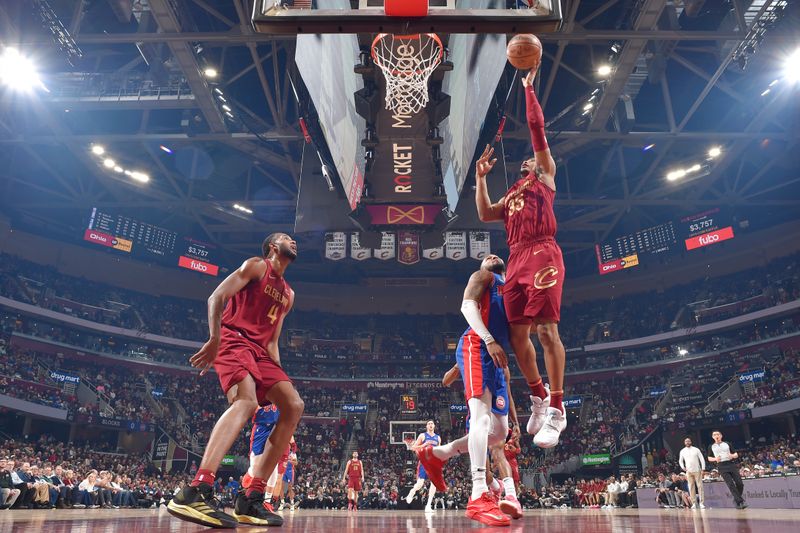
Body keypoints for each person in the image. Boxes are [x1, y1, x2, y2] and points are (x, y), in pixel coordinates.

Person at [168, 233, 303, 528]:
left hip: (261, 352)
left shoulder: (289, 295)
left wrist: (279, 379)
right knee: (246, 401)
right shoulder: (256, 266)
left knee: (293, 405)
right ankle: (196, 490)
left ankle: (251, 498)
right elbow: (216, 296)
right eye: (285, 238)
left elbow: (272, 341)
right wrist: (215, 339)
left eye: (294, 240)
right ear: (271, 247)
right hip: (233, 338)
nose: (292, 241)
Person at [473, 66, 567, 449]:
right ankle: (539, 397)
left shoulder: (544, 175)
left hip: (543, 250)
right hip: (516, 259)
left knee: (546, 331)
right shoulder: (512, 195)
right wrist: (480, 179)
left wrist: (528, 89)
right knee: (516, 336)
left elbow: (536, 130)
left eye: (533, 157)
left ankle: (558, 410)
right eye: (529, 158)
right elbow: (483, 214)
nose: (530, 158)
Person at [417, 254, 516, 526]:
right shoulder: (483, 277)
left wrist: (457, 368)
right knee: (481, 418)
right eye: (486, 257)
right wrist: (486, 342)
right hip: (479, 345)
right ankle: (478, 495)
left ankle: (436, 453)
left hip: (495, 355)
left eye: (496, 255)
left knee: (498, 433)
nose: (492, 255)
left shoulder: (511, 287)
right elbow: (468, 308)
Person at [404, 420, 441, 512]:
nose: (430, 425)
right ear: (426, 426)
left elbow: (439, 450)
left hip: (434, 462)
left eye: (432, 423)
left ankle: (428, 505)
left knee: (434, 483)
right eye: (429, 424)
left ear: (434, 426)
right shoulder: (422, 435)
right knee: (420, 484)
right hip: (424, 462)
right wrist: (423, 445)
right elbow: (413, 448)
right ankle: (412, 492)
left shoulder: (438, 438)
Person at [707, 430, 747, 509]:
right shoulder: (711, 446)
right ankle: (740, 502)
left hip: (731, 464)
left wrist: (732, 456)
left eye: (718, 434)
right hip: (721, 466)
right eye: (714, 435)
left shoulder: (727, 444)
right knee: (731, 484)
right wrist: (715, 459)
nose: (716, 436)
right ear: (713, 437)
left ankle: (736, 499)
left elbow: (736, 454)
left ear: (721, 435)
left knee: (739, 483)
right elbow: (709, 458)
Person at [679, 437, 706, 509]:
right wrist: (683, 467)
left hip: (697, 470)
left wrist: (703, 468)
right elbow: (680, 461)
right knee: (691, 487)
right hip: (689, 471)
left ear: (691, 442)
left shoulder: (696, 449)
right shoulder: (682, 451)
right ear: (684, 443)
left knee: (700, 487)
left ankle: (701, 503)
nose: (687, 442)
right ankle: (694, 503)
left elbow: (702, 459)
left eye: (688, 441)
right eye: (686, 441)